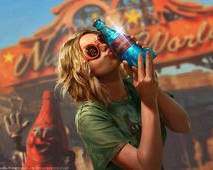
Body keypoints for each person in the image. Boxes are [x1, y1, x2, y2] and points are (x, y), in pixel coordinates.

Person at [56, 28, 191, 170]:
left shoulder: (135, 87)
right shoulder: (89, 116)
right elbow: (147, 167)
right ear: (80, 68)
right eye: (92, 50)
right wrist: (148, 102)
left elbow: (182, 125)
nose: (104, 45)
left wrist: (149, 81)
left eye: (102, 39)